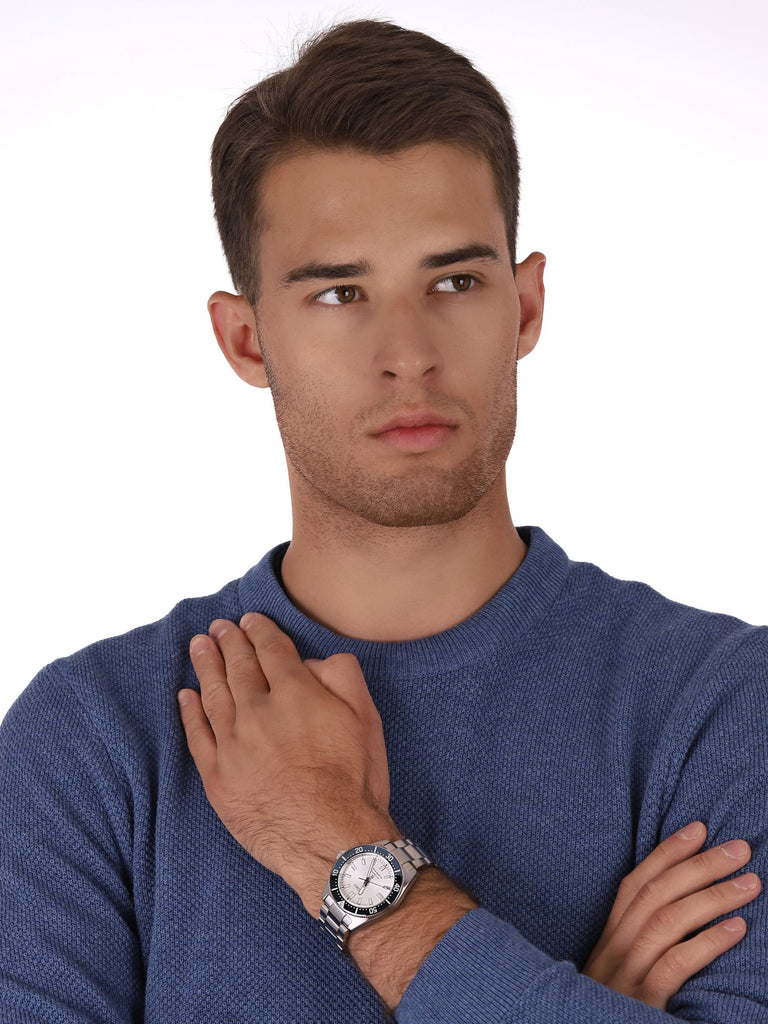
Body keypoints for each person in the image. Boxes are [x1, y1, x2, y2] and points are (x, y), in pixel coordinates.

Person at [0, 18, 765, 1024]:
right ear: (246, 339)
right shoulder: (91, 743)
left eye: (454, 282)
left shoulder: (728, 708)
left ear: (526, 306)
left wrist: (332, 839)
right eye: (339, 293)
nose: (408, 351)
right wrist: (568, 1004)